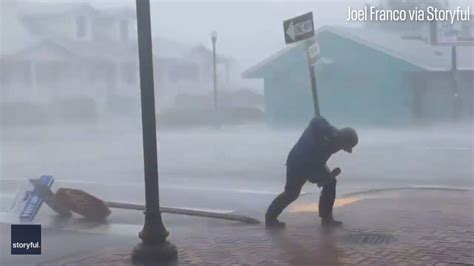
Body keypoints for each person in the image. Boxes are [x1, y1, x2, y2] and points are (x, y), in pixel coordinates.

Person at [265, 116, 358, 229]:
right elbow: (315, 121)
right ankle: (270, 217)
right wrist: (322, 127)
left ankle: (326, 218)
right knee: (292, 193)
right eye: (344, 146)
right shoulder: (326, 131)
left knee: (330, 182)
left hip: (314, 163)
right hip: (297, 162)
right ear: (342, 138)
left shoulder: (335, 142)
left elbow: (318, 163)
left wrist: (324, 178)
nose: (342, 148)